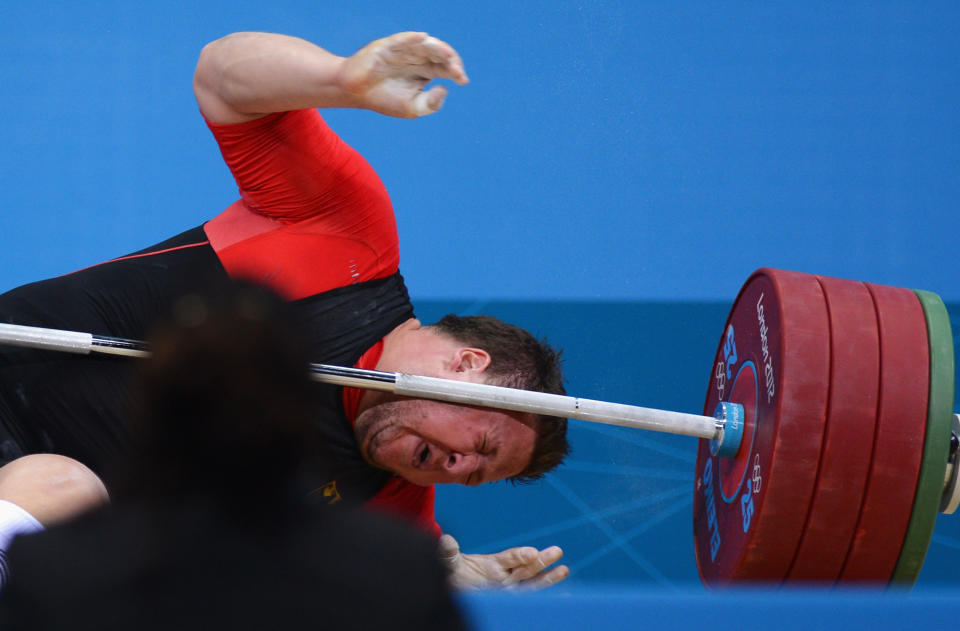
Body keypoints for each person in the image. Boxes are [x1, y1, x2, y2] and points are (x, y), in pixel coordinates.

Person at [0, 31, 570, 589]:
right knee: (59, 488)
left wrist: (443, 579)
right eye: (482, 448)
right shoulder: (348, 241)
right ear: (468, 365)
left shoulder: (388, 508)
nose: (456, 469)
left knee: (60, 491)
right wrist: (342, 79)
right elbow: (221, 78)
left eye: (476, 477)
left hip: (34, 526)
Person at [0, 282, 470, 630]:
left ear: (152, 402)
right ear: (298, 406)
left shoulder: (52, 564)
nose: (458, 464)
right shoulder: (396, 569)